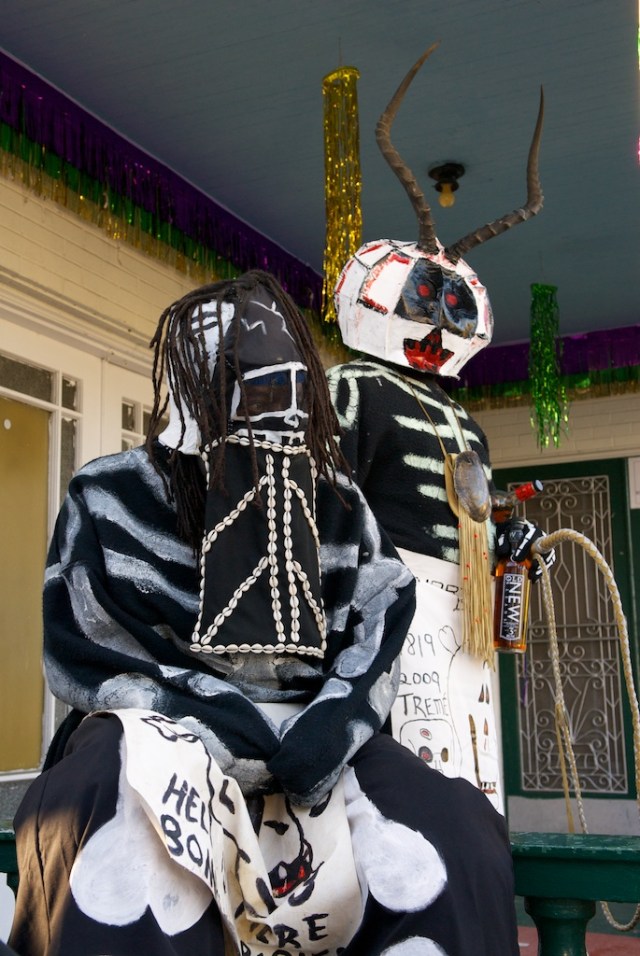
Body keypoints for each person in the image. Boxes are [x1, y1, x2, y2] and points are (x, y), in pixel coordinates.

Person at [9, 270, 519, 956]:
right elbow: (87, 643)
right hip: (153, 730)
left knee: (452, 823)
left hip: (318, 740)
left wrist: (333, 724)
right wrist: (219, 724)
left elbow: (382, 613)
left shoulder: (337, 502)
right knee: (99, 803)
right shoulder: (108, 493)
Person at [326, 45, 554, 813]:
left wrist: (509, 550)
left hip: (465, 628)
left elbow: (477, 521)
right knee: (395, 794)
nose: (433, 327)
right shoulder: (352, 388)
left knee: (468, 784)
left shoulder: (467, 423)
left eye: (452, 310)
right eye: (422, 302)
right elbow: (323, 508)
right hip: (383, 618)